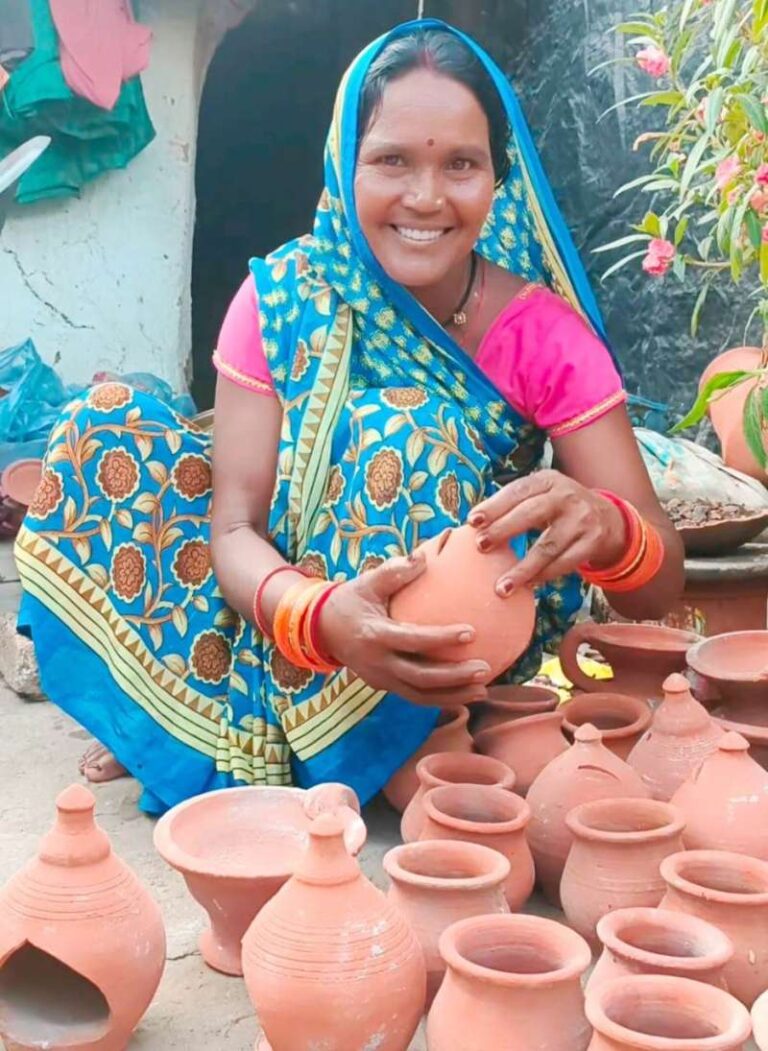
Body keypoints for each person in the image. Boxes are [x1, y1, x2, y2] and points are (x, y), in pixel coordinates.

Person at [15, 19, 684, 815]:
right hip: (281, 611)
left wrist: (606, 525)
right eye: (392, 160)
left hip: (436, 638)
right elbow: (234, 527)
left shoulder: (542, 336)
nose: (426, 197)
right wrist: (320, 615)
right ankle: (195, 724)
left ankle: (379, 735)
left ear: (498, 177)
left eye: (461, 164)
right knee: (106, 424)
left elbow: (660, 586)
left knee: (403, 431)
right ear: (343, 163)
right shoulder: (282, 297)